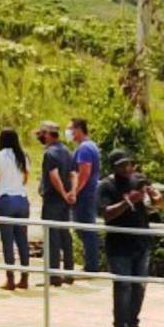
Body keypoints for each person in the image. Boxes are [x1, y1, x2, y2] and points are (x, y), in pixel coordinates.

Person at [95, 150, 163, 327]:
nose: (127, 168)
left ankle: (133, 322)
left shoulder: (140, 180)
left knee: (139, 286)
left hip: (141, 242)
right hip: (119, 245)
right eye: (122, 165)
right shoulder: (106, 186)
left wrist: (155, 197)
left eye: (129, 164)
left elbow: (158, 204)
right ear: (114, 167)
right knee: (123, 286)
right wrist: (127, 202)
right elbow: (105, 214)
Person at [0, 127, 31, 290]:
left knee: (7, 241)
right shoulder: (23, 155)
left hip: (5, 199)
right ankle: (25, 277)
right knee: (22, 240)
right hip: (21, 199)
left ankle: (10, 278)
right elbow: (26, 177)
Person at [36, 122, 78, 283]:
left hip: (53, 199)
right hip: (65, 201)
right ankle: (69, 272)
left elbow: (54, 176)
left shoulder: (50, 154)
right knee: (65, 234)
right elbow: (73, 174)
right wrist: (72, 193)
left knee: (52, 236)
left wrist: (63, 193)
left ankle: (54, 275)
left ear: (47, 134)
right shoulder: (68, 151)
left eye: (41, 134)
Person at [69, 119, 103, 278]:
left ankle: (91, 266)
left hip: (85, 194)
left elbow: (84, 172)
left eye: (71, 129)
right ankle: (91, 264)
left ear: (79, 129)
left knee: (86, 229)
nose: (69, 132)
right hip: (90, 193)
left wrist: (75, 191)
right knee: (85, 229)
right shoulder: (90, 146)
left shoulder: (84, 148)